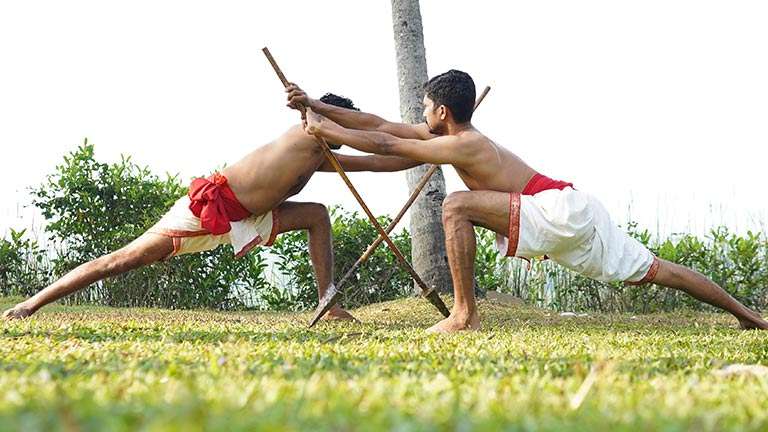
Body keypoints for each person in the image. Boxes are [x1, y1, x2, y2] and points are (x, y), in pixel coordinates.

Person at [286, 72, 768, 332]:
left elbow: (391, 146)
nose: (419, 114)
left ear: (442, 112)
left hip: (555, 209)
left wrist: (327, 131)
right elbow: (383, 127)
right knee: (657, 268)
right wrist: (318, 106)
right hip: (575, 207)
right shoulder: (458, 136)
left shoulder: (464, 144)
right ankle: (750, 316)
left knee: (456, 205)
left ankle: (464, 314)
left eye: (425, 106)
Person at [3, 93, 419, 321]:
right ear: (324, 119)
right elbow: (377, 136)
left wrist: (433, 153)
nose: (347, 134)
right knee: (122, 261)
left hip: (249, 214)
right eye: (342, 125)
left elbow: (377, 158)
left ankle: (327, 302)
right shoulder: (305, 137)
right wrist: (322, 114)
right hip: (210, 208)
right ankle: (30, 304)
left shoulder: (320, 152)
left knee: (316, 214)